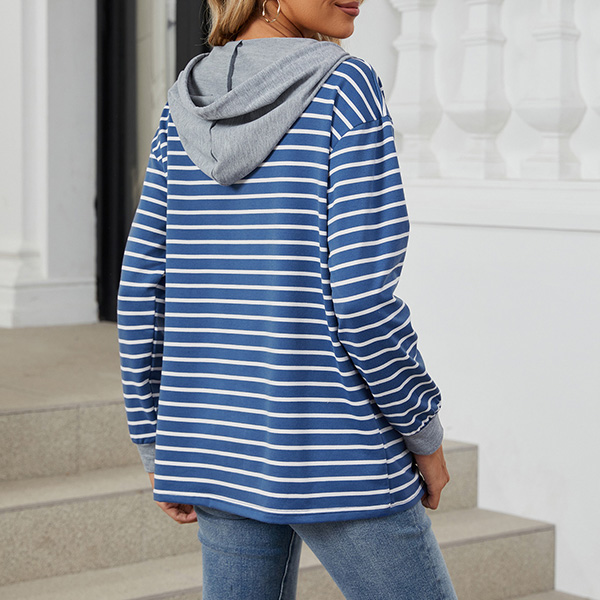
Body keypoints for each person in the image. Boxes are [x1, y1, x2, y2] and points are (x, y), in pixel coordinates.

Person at [118, 0, 458, 598]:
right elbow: (360, 300)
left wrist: (157, 442)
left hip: (216, 440)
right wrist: (422, 431)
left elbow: (143, 288)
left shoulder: (184, 103)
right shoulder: (345, 87)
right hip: (337, 447)